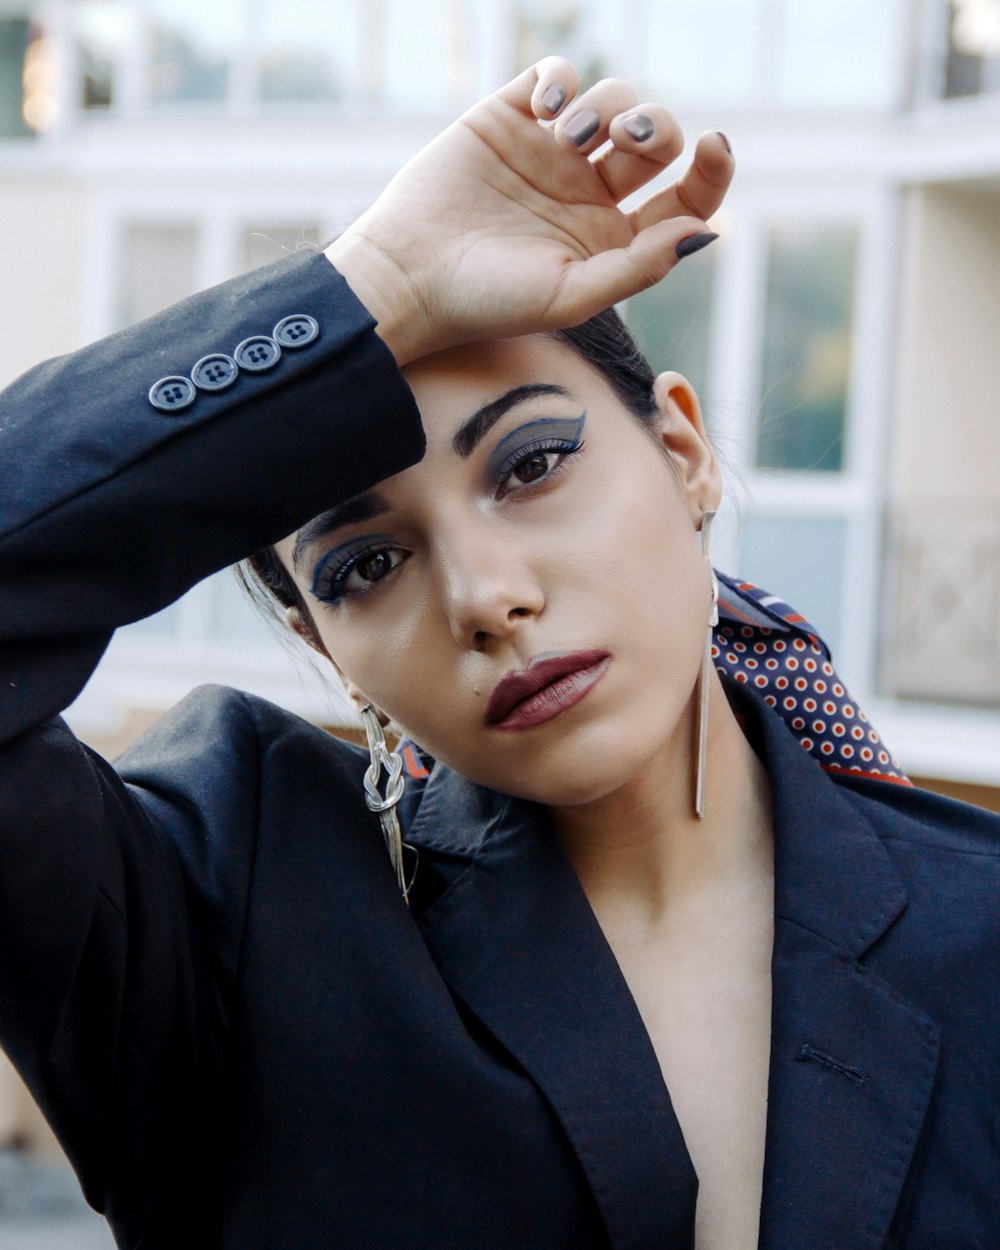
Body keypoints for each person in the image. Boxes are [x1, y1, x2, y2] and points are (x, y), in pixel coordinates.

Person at [1, 56, 998, 1250]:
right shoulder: (228, 913)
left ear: (683, 453)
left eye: (530, 465)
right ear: (324, 645)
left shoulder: (977, 930)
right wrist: (371, 288)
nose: (487, 597)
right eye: (365, 564)